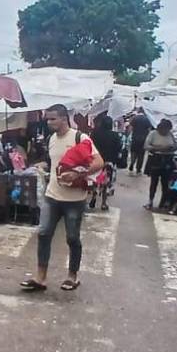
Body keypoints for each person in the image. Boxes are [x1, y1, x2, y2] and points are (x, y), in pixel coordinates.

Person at [20, 104, 103, 293]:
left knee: (72, 238)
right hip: (52, 196)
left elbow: (99, 162)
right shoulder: (51, 139)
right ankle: (40, 278)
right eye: (47, 119)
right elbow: (54, 163)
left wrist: (78, 174)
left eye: (52, 119)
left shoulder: (80, 138)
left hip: (74, 200)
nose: (49, 123)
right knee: (43, 234)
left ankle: (72, 277)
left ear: (64, 118)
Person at [143, 119, 177, 211]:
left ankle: (163, 203)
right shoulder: (153, 134)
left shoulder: (170, 135)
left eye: (168, 130)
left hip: (168, 160)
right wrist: (159, 148)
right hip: (156, 160)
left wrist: (171, 148)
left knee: (165, 183)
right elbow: (146, 146)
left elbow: (176, 145)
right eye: (165, 129)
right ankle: (150, 201)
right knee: (154, 182)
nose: (166, 131)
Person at [89, 114, 122, 210]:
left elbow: (90, 146)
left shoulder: (94, 133)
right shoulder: (115, 135)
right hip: (109, 162)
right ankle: (103, 203)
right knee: (106, 182)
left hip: (96, 160)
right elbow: (118, 148)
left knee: (95, 179)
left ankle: (94, 196)